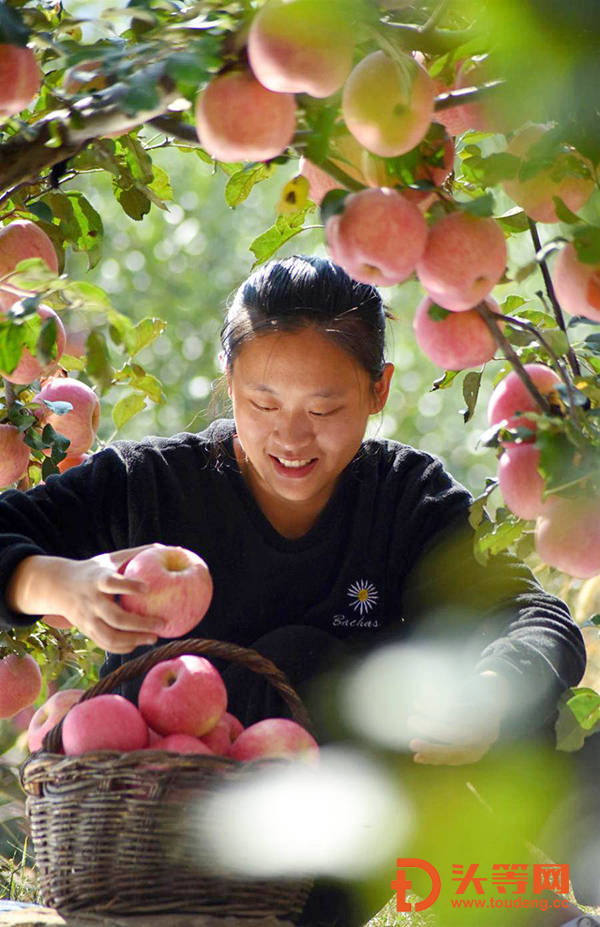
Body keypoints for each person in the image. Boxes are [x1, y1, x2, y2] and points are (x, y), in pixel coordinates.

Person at [0, 255, 587, 925]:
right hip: (161, 855)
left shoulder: (403, 499)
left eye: (325, 406)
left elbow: (535, 616)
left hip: (329, 865)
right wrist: (60, 580)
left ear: (378, 390)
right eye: (263, 403)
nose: (292, 435)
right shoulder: (151, 485)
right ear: (229, 383)